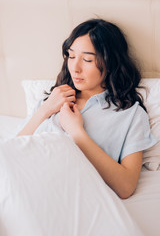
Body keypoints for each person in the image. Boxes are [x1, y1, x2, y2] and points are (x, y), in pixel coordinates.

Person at [17, 18, 157, 199]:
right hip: (21, 181)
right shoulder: (53, 99)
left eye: (87, 59)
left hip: (59, 194)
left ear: (110, 63)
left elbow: (126, 186)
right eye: (71, 56)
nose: (75, 68)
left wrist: (77, 133)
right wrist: (45, 110)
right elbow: (13, 150)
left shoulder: (130, 114)